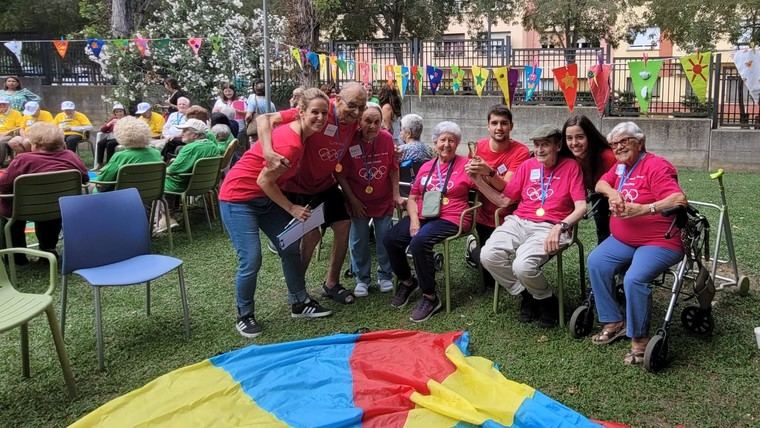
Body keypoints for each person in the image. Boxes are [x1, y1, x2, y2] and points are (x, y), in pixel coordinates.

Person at [219, 88, 332, 337]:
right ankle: (245, 314)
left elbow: (264, 118)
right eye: (315, 112)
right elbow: (263, 181)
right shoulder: (290, 145)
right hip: (238, 198)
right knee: (251, 258)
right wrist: (291, 208)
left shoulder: (295, 118)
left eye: (325, 113)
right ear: (302, 113)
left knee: (289, 245)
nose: (321, 118)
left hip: (264, 197)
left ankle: (300, 302)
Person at [256, 81, 368, 305]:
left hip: (325, 184)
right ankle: (298, 289)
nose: (356, 112)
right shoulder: (319, 112)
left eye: (361, 107)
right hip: (297, 186)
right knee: (311, 235)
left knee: (343, 224)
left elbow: (374, 128)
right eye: (352, 105)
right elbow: (264, 119)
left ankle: (331, 283)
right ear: (337, 100)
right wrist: (268, 151)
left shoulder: (354, 124)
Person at [588, 121, 687, 365]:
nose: (618, 148)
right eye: (614, 144)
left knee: (634, 278)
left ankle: (640, 340)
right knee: (596, 261)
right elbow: (600, 183)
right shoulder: (621, 167)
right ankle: (614, 321)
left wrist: (644, 208)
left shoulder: (655, 166)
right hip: (624, 239)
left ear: (640, 142)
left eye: (624, 141)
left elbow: (678, 199)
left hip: (659, 241)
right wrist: (613, 193)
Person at [475, 125, 587, 328]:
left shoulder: (571, 167)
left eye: (545, 145)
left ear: (558, 146)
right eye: (536, 145)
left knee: (522, 265)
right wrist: (477, 181)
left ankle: (546, 300)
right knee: (487, 255)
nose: (540, 150)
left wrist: (561, 226)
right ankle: (527, 294)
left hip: (551, 226)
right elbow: (504, 201)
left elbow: (581, 207)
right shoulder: (527, 166)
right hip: (520, 221)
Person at [383, 121, 475, 322]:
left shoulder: (465, 166)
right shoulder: (426, 167)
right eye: (443, 140)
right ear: (435, 143)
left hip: (452, 217)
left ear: (457, 143)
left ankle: (430, 296)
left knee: (419, 242)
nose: (447, 144)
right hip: (424, 215)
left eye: (452, 140)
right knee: (390, 238)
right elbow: (414, 198)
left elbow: (482, 187)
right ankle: (408, 281)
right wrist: (414, 221)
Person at [336, 103, 403, 297]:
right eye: (367, 121)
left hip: (382, 198)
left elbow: (393, 168)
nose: (372, 126)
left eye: (377, 122)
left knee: (384, 238)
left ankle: (385, 276)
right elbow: (341, 175)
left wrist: (396, 194)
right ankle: (362, 279)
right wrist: (353, 200)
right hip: (357, 199)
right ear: (359, 122)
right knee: (359, 240)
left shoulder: (387, 139)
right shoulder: (350, 141)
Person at [0, 122, 88, 264]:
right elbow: (85, 178)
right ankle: (48, 250)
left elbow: (3, 186)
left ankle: (16, 256)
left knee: (11, 210)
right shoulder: (70, 156)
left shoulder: (23, 159)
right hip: (59, 208)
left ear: (34, 144)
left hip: (22, 211)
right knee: (50, 206)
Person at [464, 105, 530, 291]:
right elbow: (471, 181)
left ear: (511, 126)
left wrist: (489, 172)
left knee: (513, 265)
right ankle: (473, 251)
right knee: (490, 281)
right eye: (494, 123)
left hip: (511, 214)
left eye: (504, 123)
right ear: (488, 126)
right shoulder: (478, 147)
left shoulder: (521, 152)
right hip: (485, 215)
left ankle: (473, 249)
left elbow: (508, 189)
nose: (499, 128)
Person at [562, 114, 617, 243]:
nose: (574, 143)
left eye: (580, 137)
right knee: (602, 232)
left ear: (590, 137)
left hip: (617, 195)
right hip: (597, 194)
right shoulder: (567, 159)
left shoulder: (608, 157)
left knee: (618, 231)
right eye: (569, 138)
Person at [94, 116, 162, 190]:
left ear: (120, 134)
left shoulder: (120, 156)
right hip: (151, 194)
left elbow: (102, 182)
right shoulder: (156, 153)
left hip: (124, 196)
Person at [164, 119, 220, 193]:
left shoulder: (190, 148)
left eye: (185, 131)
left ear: (195, 135)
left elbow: (172, 170)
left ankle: (168, 204)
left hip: (180, 186)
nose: (181, 133)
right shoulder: (213, 146)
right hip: (205, 185)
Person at [94, 103, 127, 169]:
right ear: (115, 113)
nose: (119, 113)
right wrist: (110, 123)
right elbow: (102, 130)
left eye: (121, 111)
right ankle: (99, 164)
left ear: (124, 112)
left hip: (122, 137)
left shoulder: (127, 119)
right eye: (117, 112)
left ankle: (109, 164)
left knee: (110, 144)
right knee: (100, 143)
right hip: (112, 136)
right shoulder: (113, 119)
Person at [0, 95, 23, 162]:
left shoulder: (16, 113)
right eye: (0, 104)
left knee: (0, 141)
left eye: (4, 104)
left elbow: (20, 126)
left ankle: (0, 162)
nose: (2, 106)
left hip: (10, 134)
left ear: (8, 104)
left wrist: (8, 132)